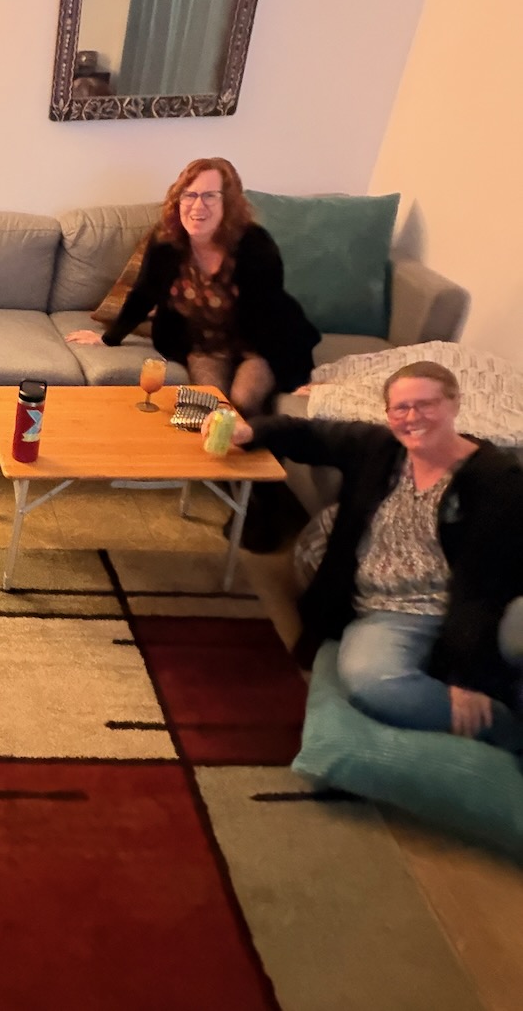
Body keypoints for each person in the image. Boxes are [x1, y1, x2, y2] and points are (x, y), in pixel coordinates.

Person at [225, 362, 523, 751]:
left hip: (435, 608)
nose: (412, 417)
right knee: (360, 674)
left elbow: (486, 587)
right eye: (401, 408)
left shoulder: (496, 479)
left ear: (454, 403)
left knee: (372, 682)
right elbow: (308, 434)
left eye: (426, 404)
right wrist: (251, 431)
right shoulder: (381, 448)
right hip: (376, 602)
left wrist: (466, 681)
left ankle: (504, 729)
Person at [66, 157, 320, 415]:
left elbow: (275, 315)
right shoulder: (166, 242)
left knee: (243, 401)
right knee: (210, 404)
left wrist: (297, 377)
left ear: (228, 203)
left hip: (257, 347)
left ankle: (251, 438)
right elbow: (144, 293)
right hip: (203, 346)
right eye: (190, 195)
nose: (198, 206)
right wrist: (108, 338)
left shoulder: (255, 245)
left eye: (210, 196)